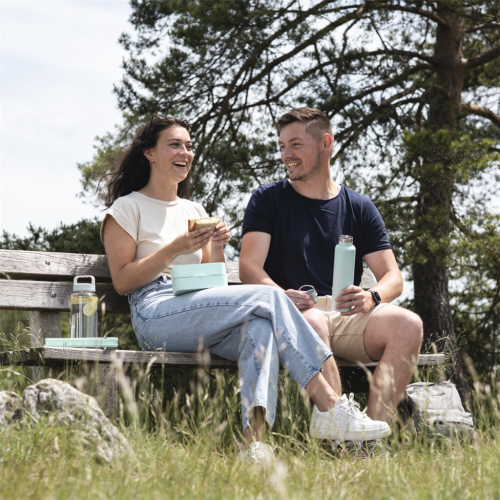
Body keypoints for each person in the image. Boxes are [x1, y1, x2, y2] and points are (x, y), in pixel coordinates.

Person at [100, 114, 391, 464]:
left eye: (189, 146)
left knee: (260, 328)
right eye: (174, 145)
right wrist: (176, 247)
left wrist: (217, 247)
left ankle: (254, 446)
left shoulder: (194, 209)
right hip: (155, 312)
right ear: (149, 153)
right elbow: (123, 281)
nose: (185, 152)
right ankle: (330, 407)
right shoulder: (127, 208)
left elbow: (213, 283)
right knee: (270, 295)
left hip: (198, 310)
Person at [239, 107, 423, 426]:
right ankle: (341, 435)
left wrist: (372, 297)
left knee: (409, 325)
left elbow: (393, 277)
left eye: (296, 145)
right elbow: (248, 267)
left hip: (348, 316)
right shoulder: (267, 199)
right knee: (314, 323)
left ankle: (371, 434)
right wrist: (280, 296)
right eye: (282, 146)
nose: (286, 155)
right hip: (296, 316)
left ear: (325, 143)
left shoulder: (359, 206)